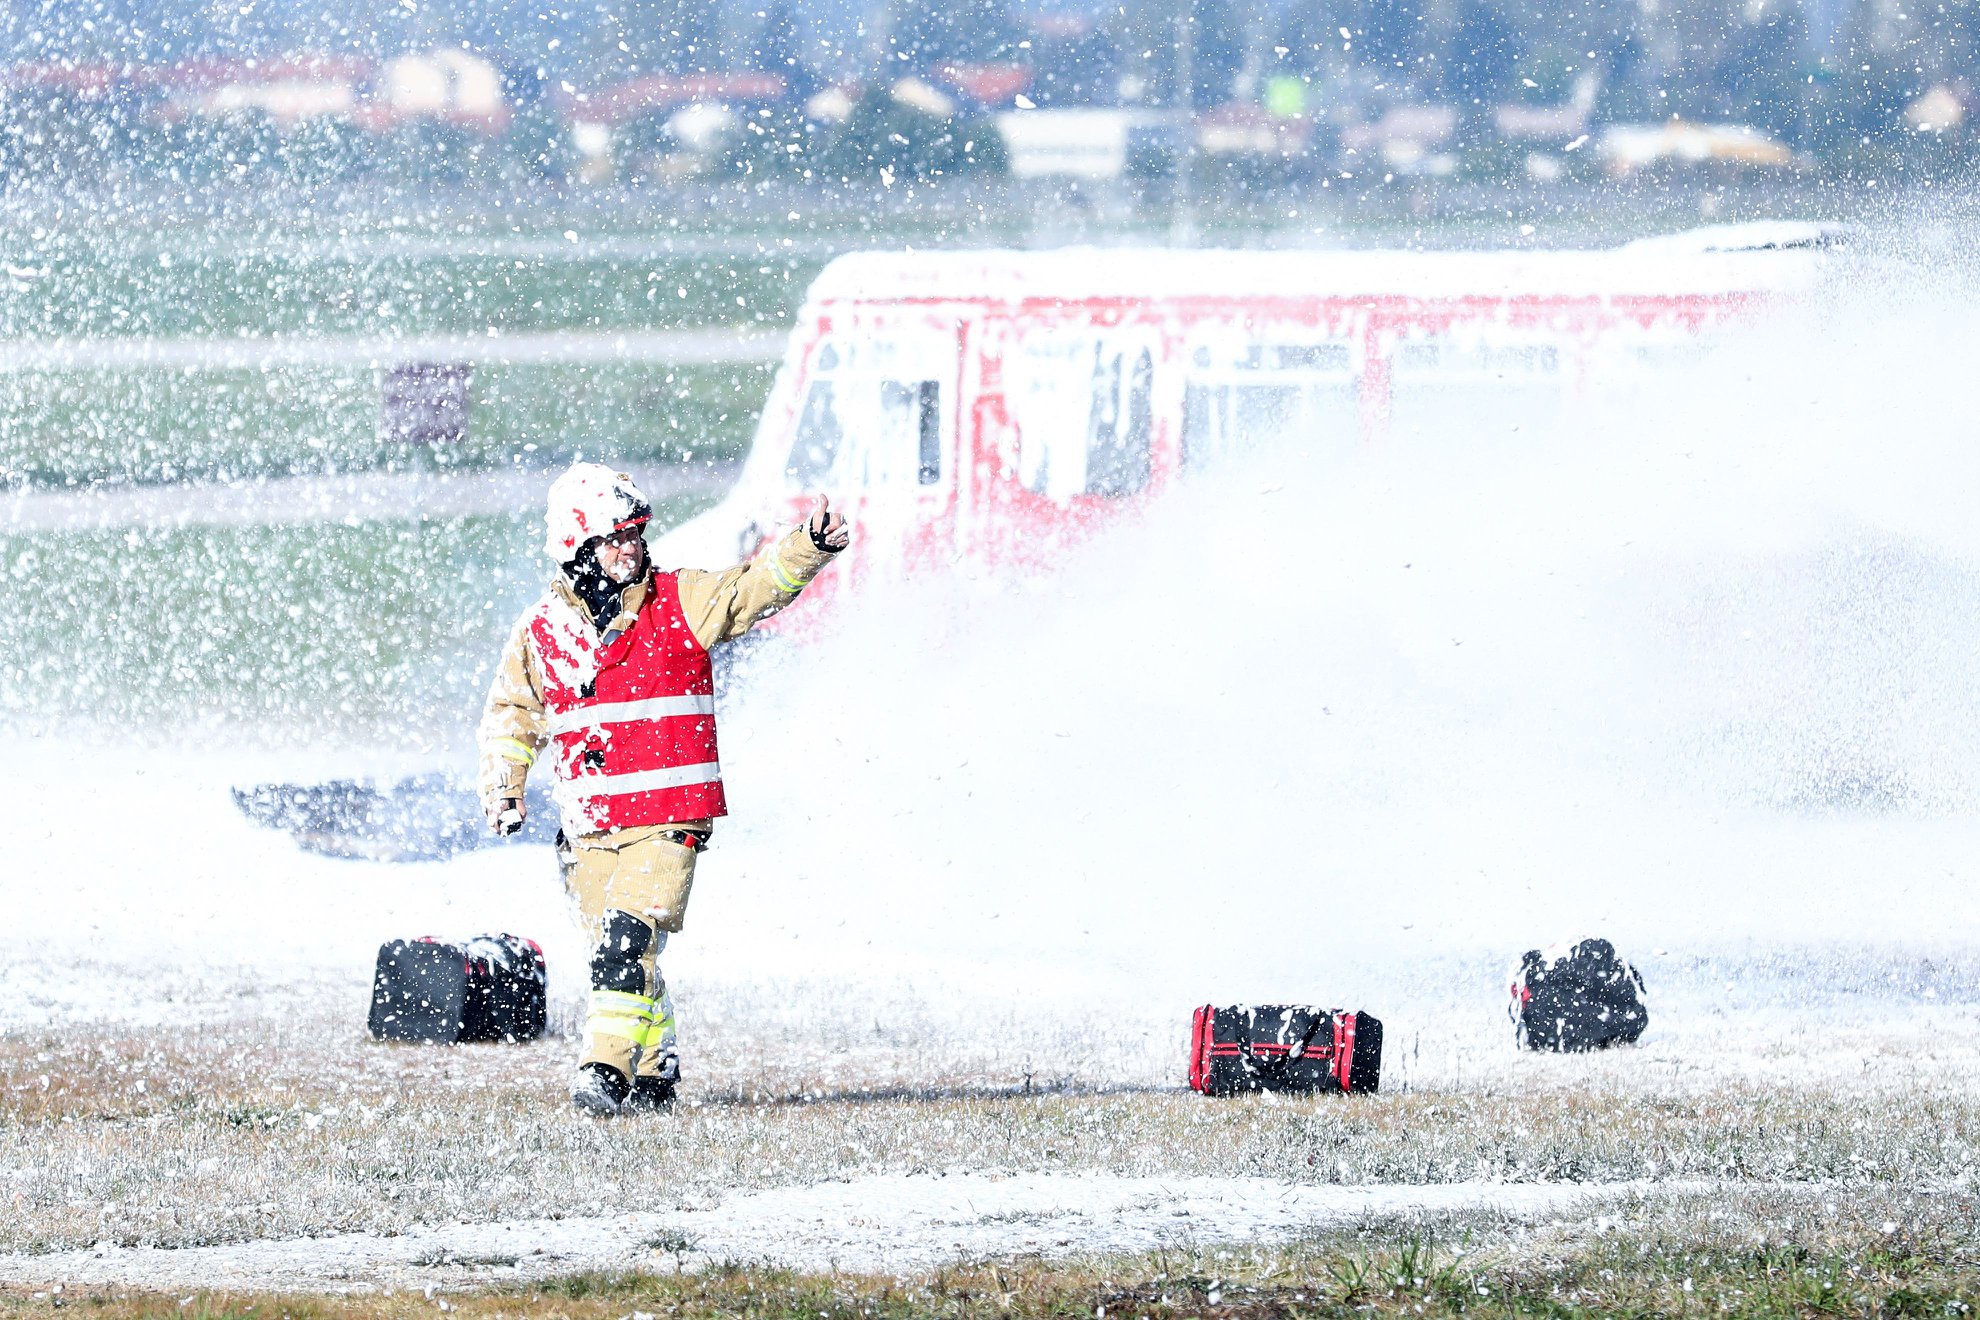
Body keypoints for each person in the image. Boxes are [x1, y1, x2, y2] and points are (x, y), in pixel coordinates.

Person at [478, 461, 849, 1115]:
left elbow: (753, 588)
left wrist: (808, 545)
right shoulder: (539, 633)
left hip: (670, 817)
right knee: (619, 953)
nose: (634, 548)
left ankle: (605, 1070)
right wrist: (506, 785)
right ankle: (655, 1071)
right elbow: (513, 713)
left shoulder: (680, 602)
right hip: (589, 822)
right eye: (617, 537)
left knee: (626, 943)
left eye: (637, 534)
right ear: (577, 546)